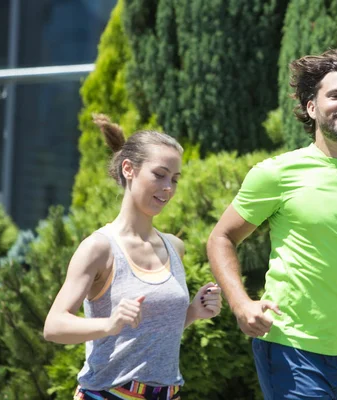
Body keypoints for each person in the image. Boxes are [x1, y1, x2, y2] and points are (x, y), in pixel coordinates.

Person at [207, 49, 337, 399]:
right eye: (335, 95)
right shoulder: (277, 173)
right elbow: (221, 237)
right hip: (290, 346)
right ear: (312, 108)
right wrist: (242, 305)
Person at [44, 114, 222, 400]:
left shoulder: (174, 247)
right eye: (159, 174)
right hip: (108, 393)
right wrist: (109, 324)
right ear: (129, 169)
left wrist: (193, 312)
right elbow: (54, 326)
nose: (168, 188)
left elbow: (151, 329)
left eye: (175, 179)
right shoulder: (99, 249)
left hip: (167, 393)